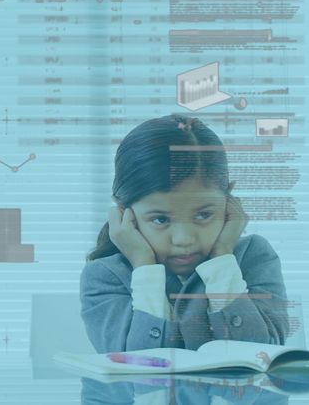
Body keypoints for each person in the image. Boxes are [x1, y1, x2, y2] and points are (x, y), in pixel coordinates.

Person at [80, 114, 288, 352]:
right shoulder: (105, 275)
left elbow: (262, 354)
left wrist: (222, 260)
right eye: (160, 219)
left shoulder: (254, 256)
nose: (184, 239)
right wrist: (145, 267)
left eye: (203, 215)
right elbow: (132, 364)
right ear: (124, 213)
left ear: (228, 200)